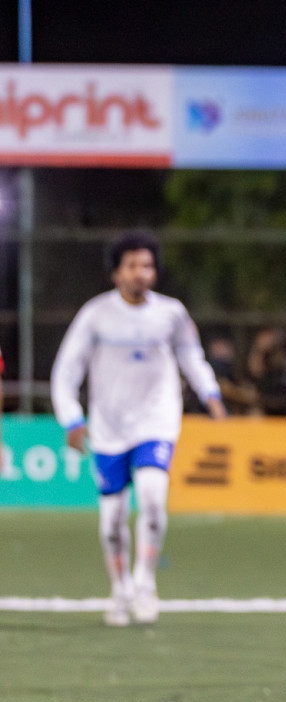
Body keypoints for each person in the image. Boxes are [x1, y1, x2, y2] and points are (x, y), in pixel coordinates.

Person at [51, 231, 227, 626]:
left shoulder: (172, 313)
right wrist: (71, 419)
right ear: (115, 273)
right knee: (111, 519)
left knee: (151, 496)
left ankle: (145, 583)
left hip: (157, 421)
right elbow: (66, 371)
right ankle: (119, 590)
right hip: (110, 427)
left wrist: (209, 391)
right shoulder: (96, 315)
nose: (140, 274)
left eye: (147, 266)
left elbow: (190, 354)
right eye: (131, 266)